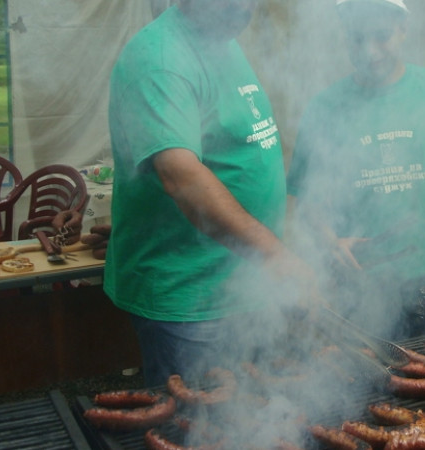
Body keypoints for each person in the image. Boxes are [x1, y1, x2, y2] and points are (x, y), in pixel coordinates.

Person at [104, 0, 315, 387]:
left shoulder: (222, 37)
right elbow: (181, 178)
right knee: (198, 432)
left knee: (250, 422)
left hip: (243, 285)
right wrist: (275, 255)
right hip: (190, 303)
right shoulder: (160, 58)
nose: (244, 6)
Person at [286, 0, 425, 342]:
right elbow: (306, 199)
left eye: (381, 36)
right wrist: (330, 241)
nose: (370, 51)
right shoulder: (324, 109)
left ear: (403, 29)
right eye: (357, 39)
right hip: (359, 288)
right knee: (365, 394)